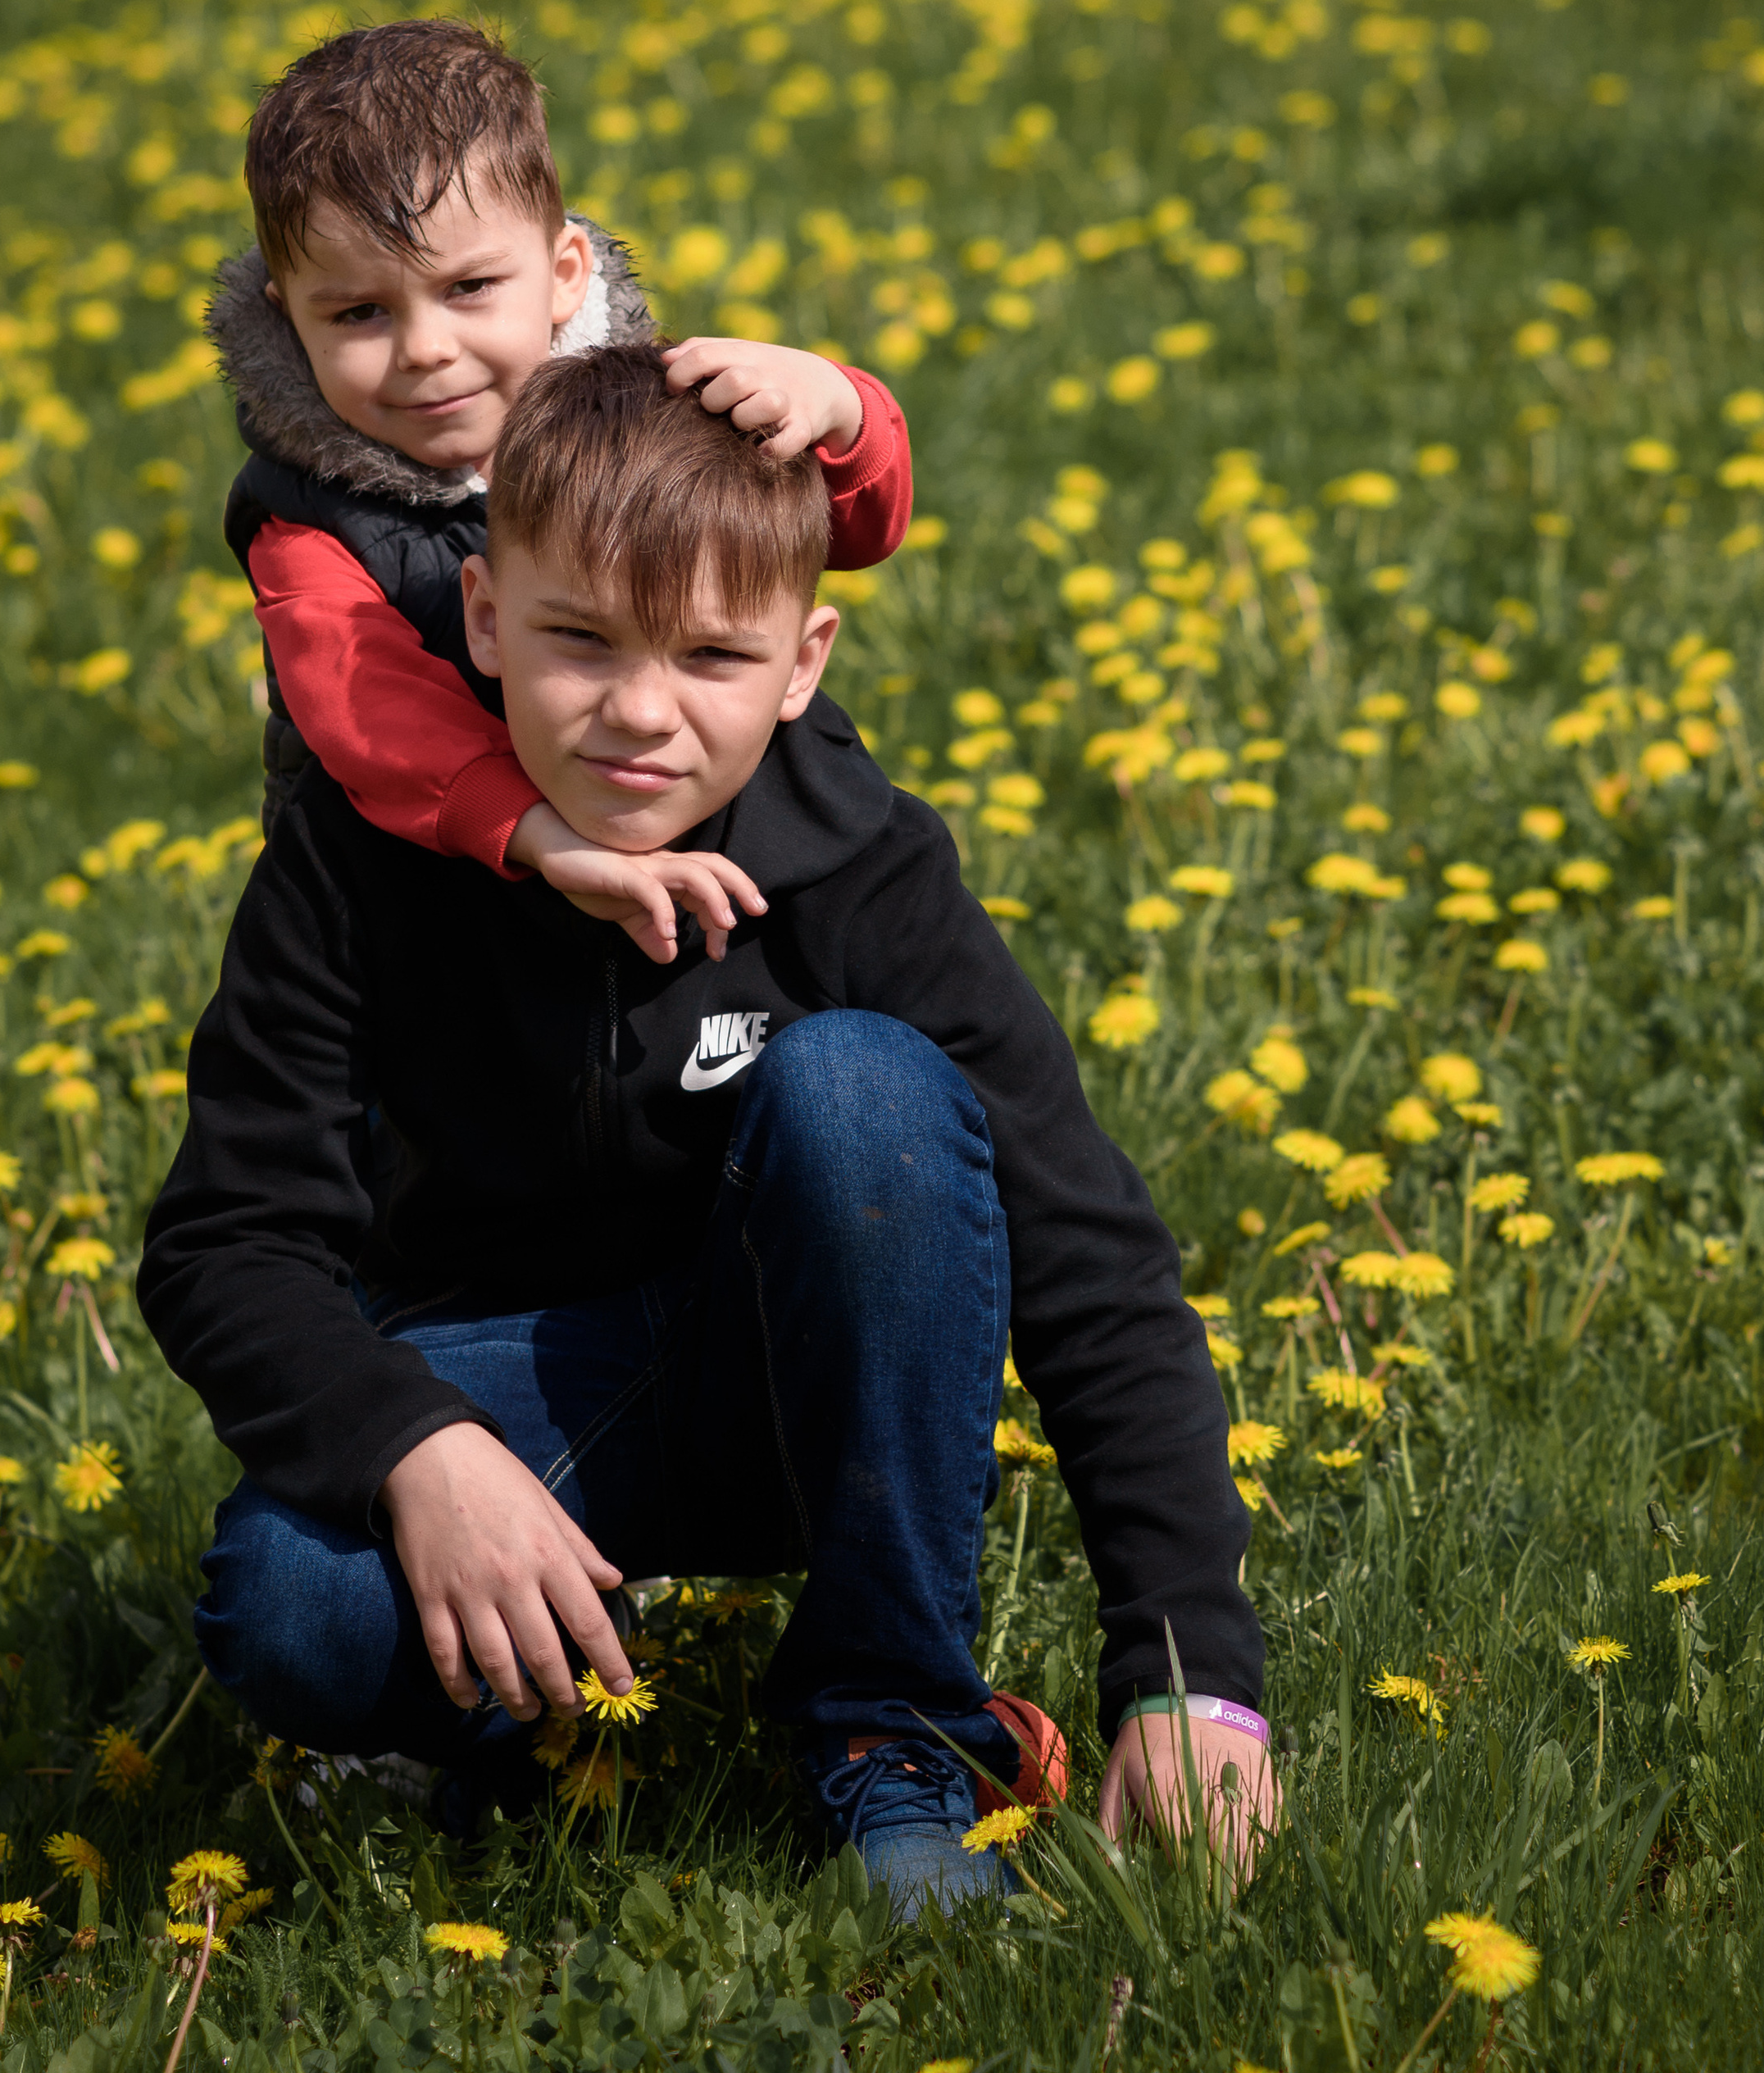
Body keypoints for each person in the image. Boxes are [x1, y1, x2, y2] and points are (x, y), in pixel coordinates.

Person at [139, 343, 1274, 1915]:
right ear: (484, 617)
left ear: (803, 662)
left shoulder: (860, 863)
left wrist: (1189, 1673)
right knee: (290, 1604)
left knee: (862, 1088)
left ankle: (896, 1728)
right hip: (514, 1389)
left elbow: (1091, 1256)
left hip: (801, 1390)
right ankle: (529, 1710)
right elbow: (223, 1246)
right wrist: (416, 1448)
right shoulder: (356, 860)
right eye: (577, 643)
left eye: (710, 660)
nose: (639, 715)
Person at [207, 16, 913, 963]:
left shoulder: (652, 411)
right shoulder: (308, 526)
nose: (425, 349)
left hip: (676, 851)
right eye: (361, 312)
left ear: (564, 274)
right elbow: (372, 717)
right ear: (289, 320)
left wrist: (838, 409)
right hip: (412, 911)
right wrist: (542, 838)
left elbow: (850, 532)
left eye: (468, 288)